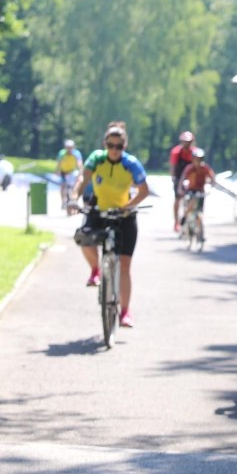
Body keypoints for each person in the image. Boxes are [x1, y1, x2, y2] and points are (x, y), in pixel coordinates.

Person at [69, 121, 149, 328]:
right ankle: (96, 269)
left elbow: (143, 191)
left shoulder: (130, 163)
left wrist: (128, 206)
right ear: (105, 144)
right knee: (84, 239)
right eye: (110, 145)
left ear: (125, 146)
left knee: (124, 265)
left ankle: (125, 311)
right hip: (99, 210)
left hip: (124, 215)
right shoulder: (96, 159)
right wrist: (73, 198)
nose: (114, 150)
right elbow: (82, 181)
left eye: (119, 146)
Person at [177, 147, 216, 240]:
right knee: (190, 205)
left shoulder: (205, 168)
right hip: (191, 190)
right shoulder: (189, 168)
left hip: (201, 191)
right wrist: (180, 189)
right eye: (196, 159)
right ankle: (184, 218)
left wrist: (211, 186)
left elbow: (212, 178)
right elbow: (183, 179)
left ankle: (200, 233)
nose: (197, 161)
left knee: (200, 212)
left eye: (199, 159)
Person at [170, 130, 196, 232]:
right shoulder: (176, 151)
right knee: (177, 199)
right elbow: (173, 166)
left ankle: (186, 217)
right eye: (185, 141)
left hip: (190, 178)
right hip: (178, 177)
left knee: (194, 198)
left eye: (189, 141)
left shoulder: (195, 152)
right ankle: (176, 222)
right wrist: (173, 178)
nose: (187, 143)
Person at [56, 139, 83, 209]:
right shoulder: (62, 153)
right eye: (68, 147)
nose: (69, 149)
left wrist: (80, 172)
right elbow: (59, 163)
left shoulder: (76, 153)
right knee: (62, 186)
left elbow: (79, 163)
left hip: (72, 172)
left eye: (71, 147)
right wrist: (57, 170)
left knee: (76, 185)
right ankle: (63, 201)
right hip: (63, 172)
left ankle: (74, 199)